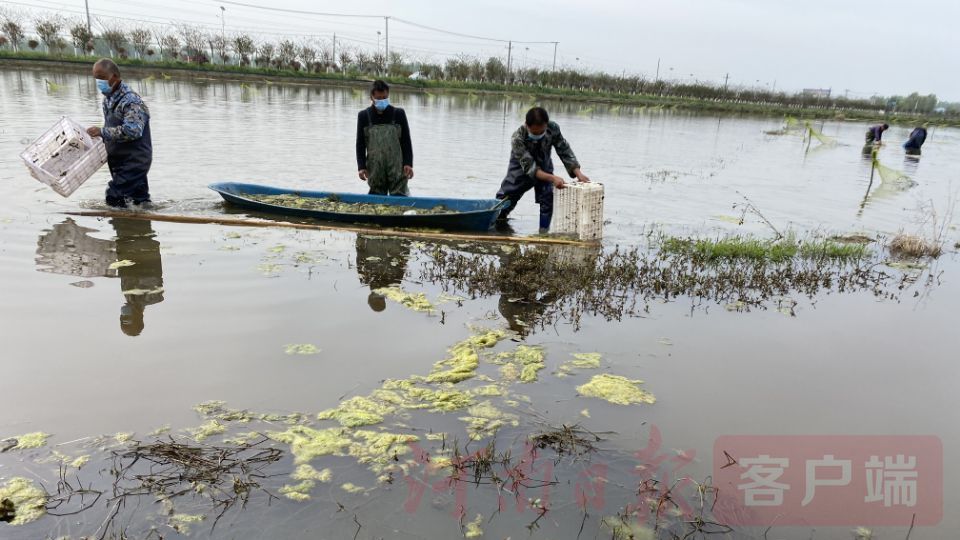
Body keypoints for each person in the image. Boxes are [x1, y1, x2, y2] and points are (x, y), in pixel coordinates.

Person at [495, 107, 590, 231]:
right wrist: (553, 178)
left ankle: (543, 233)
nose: (539, 135)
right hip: (521, 169)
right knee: (507, 199)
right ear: (527, 126)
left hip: (544, 165)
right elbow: (531, 168)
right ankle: (496, 225)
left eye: (542, 132)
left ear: (546, 125)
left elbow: (563, 149)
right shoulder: (517, 138)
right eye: (535, 133)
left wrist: (578, 173)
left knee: (547, 198)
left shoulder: (553, 128)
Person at [85, 59, 153, 208]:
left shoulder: (131, 101)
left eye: (102, 77)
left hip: (135, 161)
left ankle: (123, 225)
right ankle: (137, 228)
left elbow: (133, 130)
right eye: (96, 78)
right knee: (138, 200)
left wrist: (102, 132)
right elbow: (111, 127)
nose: (98, 82)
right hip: (118, 159)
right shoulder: (107, 100)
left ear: (114, 77)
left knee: (114, 195)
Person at [356, 80, 414, 196]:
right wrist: (361, 166)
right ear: (372, 97)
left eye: (385, 97)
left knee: (399, 198)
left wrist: (408, 163)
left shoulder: (398, 114)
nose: (382, 101)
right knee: (376, 200)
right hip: (375, 169)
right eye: (379, 98)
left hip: (397, 169)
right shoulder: (363, 116)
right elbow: (360, 144)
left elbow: (406, 141)